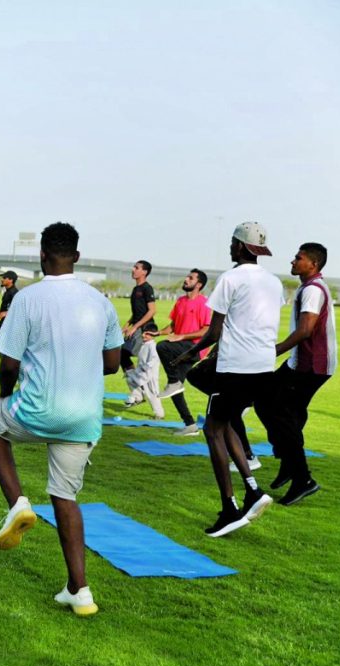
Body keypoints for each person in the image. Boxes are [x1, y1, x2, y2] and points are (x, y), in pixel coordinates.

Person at [0, 223, 122, 616]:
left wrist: (4, 396)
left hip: (36, 409)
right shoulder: (101, 302)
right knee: (65, 497)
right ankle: (80, 590)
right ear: (77, 256)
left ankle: (18, 504)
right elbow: (113, 363)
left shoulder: (28, 298)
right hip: (84, 418)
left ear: (42, 255)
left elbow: (8, 364)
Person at [178, 221, 283, 537]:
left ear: (240, 246)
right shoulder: (274, 282)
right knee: (225, 424)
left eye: (232, 242)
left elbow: (214, 331)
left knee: (212, 430)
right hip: (263, 368)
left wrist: (188, 354)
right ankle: (252, 490)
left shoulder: (231, 278)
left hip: (236, 367)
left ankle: (230, 508)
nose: (230, 247)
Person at [254, 242, 336, 505]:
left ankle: (302, 479)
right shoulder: (309, 286)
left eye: (298, 258)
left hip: (310, 365)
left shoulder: (313, 290)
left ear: (313, 264)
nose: (292, 261)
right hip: (300, 363)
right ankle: (289, 463)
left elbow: (305, 330)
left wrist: (273, 351)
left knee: (281, 414)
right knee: (268, 401)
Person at [144, 269, 212, 435]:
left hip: (195, 348)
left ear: (199, 284)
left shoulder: (204, 303)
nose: (186, 279)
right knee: (175, 389)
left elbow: (206, 330)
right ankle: (190, 425)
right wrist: (158, 332)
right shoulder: (181, 301)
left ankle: (174, 381)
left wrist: (181, 336)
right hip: (181, 347)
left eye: (191, 278)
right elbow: (174, 326)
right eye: (187, 276)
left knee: (162, 347)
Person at [120, 260, 158, 406]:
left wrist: (135, 327)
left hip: (143, 330)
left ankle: (141, 394)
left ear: (144, 272)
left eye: (136, 268)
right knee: (122, 355)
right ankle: (137, 393)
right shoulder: (136, 289)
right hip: (135, 328)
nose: (133, 269)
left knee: (133, 360)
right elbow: (138, 312)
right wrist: (127, 324)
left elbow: (152, 311)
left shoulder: (147, 288)